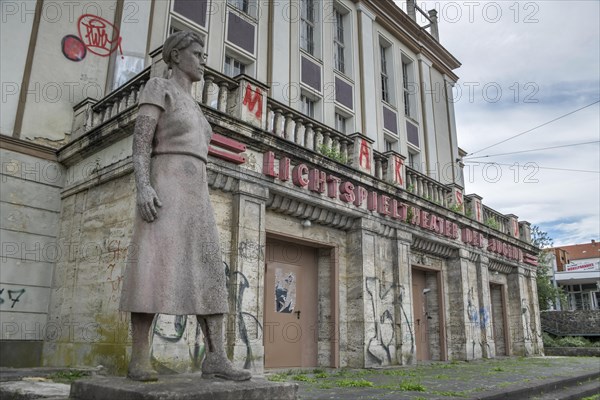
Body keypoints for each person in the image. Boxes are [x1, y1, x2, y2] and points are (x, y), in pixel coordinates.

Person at [119, 31, 251, 382]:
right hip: (165, 184)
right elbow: (141, 144)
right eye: (197, 53)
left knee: (208, 268)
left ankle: (216, 357)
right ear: (176, 56)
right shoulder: (157, 88)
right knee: (151, 266)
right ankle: (139, 358)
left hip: (197, 192)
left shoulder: (196, 107)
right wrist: (143, 186)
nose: (203, 59)